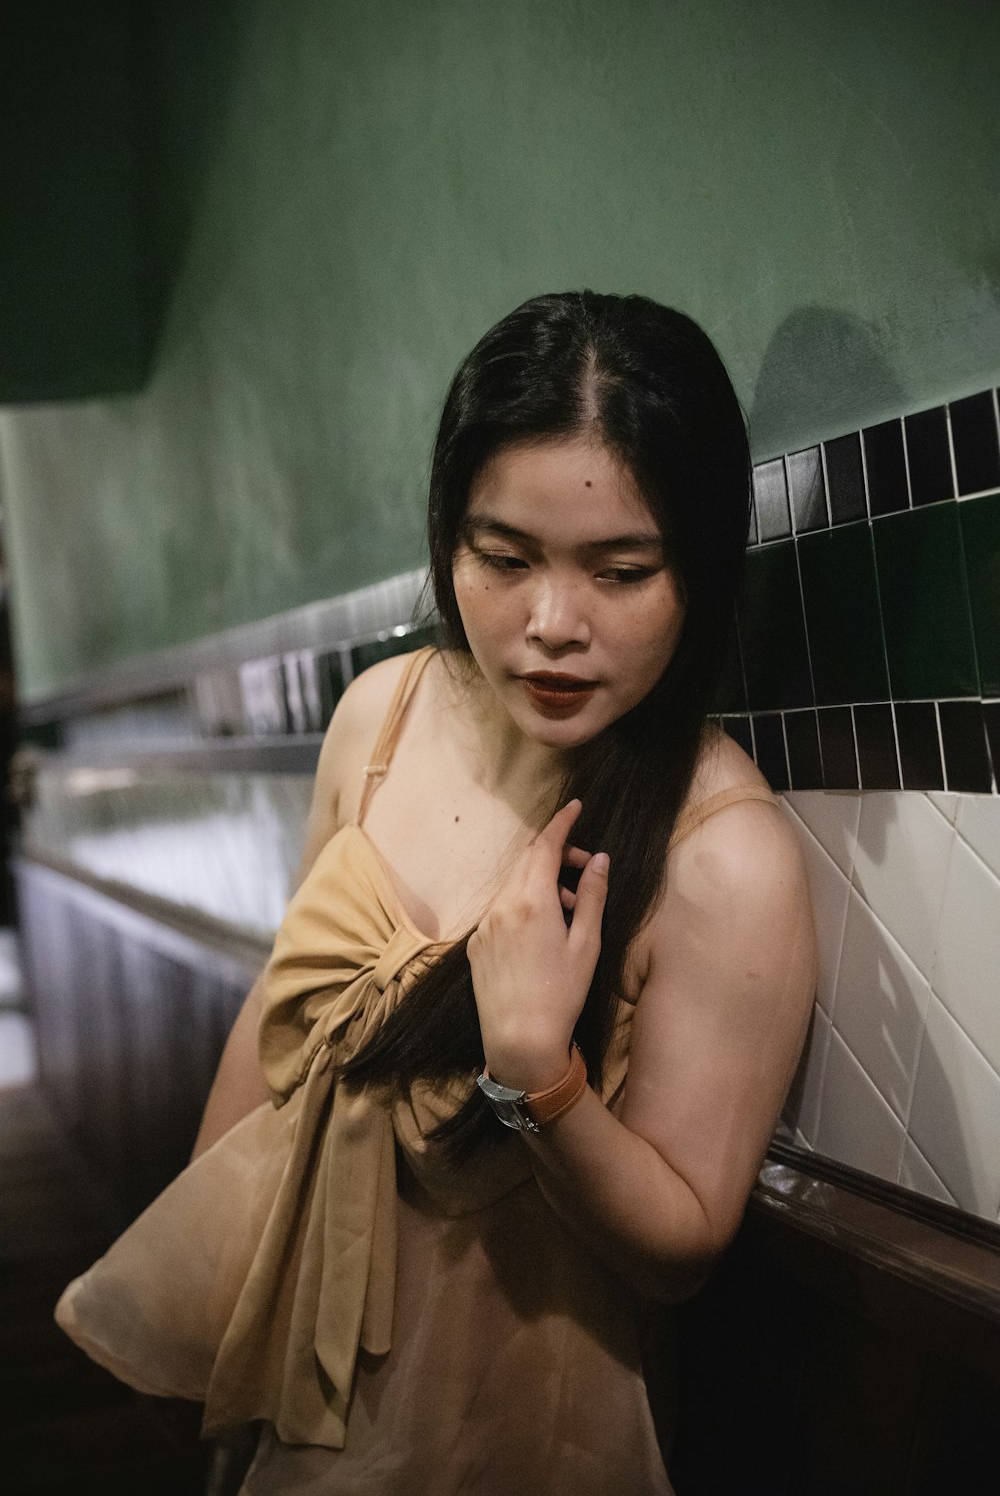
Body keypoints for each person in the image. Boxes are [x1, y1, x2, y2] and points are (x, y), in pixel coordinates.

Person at [56, 291, 816, 1494]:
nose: (550, 625)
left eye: (620, 571)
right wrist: (208, 1328)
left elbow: (679, 1250)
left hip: (507, 1426)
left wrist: (537, 1077)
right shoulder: (385, 714)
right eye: (503, 560)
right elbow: (283, 1025)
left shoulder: (722, 851)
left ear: (701, 568)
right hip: (295, 1402)